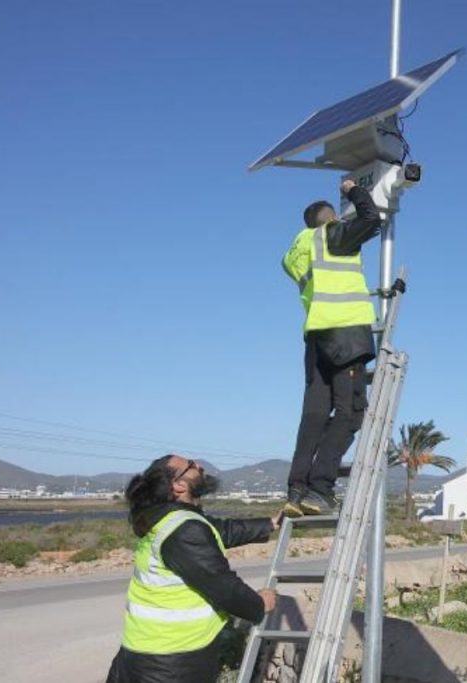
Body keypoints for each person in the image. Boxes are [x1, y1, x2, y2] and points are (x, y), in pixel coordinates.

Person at [106, 454, 282, 683]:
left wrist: (269, 523)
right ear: (178, 485)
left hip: (143, 655)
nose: (198, 465)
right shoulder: (184, 528)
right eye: (190, 465)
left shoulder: (169, 518)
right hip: (170, 665)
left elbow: (220, 530)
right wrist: (259, 604)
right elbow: (223, 586)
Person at [281, 179, 383, 517]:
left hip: (316, 338)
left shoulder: (298, 250)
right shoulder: (332, 236)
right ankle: (320, 488)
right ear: (329, 219)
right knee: (350, 412)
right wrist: (355, 190)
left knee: (313, 414)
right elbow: (371, 220)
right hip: (344, 335)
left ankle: (296, 489)